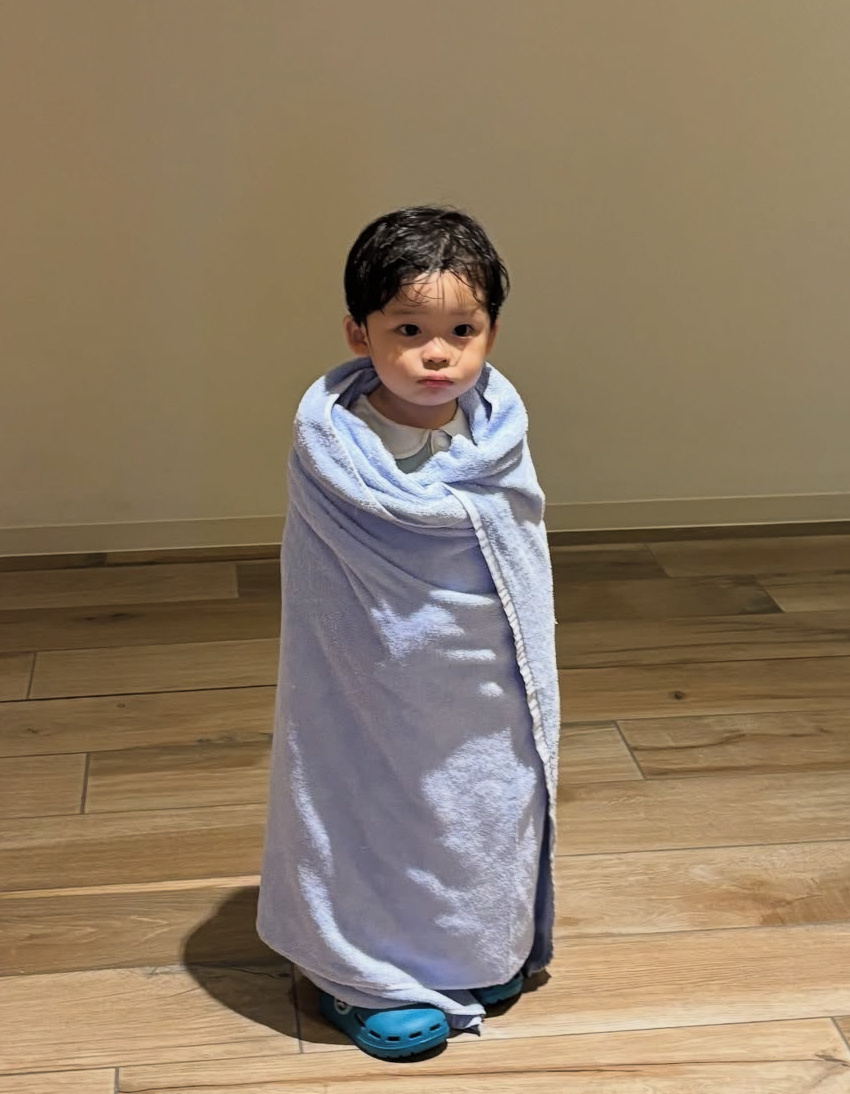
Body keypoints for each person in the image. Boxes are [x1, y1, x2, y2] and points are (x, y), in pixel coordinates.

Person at [257, 206, 559, 1059]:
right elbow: (333, 581)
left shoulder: (497, 435)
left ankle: (472, 948)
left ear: (491, 331)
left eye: (463, 331)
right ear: (359, 333)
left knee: (485, 794)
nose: (438, 354)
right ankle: (361, 971)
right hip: (369, 675)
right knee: (374, 795)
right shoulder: (335, 446)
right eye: (409, 330)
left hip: (482, 674)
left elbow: (517, 552)